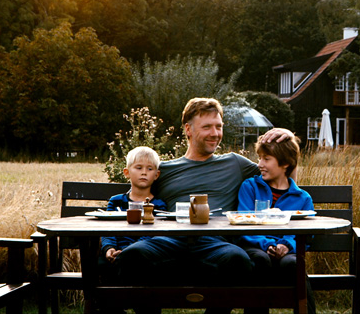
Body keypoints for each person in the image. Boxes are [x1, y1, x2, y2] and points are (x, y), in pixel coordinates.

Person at [115, 98, 294, 313]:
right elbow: (133, 193)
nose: (215, 133)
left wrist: (288, 138)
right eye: (207, 127)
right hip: (169, 241)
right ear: (188, 129)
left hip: (214, 244)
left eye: (218, 126)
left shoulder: (235, 164)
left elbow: (283, 175)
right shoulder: (165, 170)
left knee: (239, 260)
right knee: (131, 257)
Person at [235, 133, 316, 314]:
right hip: (255, 246)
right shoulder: (250, 187)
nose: (260, 164)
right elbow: (244, 223)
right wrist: (268, 244)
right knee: (260, 259)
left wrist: (287, 245)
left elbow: (306, 235)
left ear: (285, 163)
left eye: (267, 159)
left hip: (287, 252)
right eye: (260, 158)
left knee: (295, 265)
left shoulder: (302, 198)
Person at [99, 146, 166, 283]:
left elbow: (153, 234)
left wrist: (127, 251)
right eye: (139, 168)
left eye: (149, 169)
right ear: (127, 172)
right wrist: (109, 248)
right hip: (114, 252)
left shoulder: (158, 205)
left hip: (141, 254)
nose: (144, 173)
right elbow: (108, 229)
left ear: (156, 175)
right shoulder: (116, 201)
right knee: (101, 264)